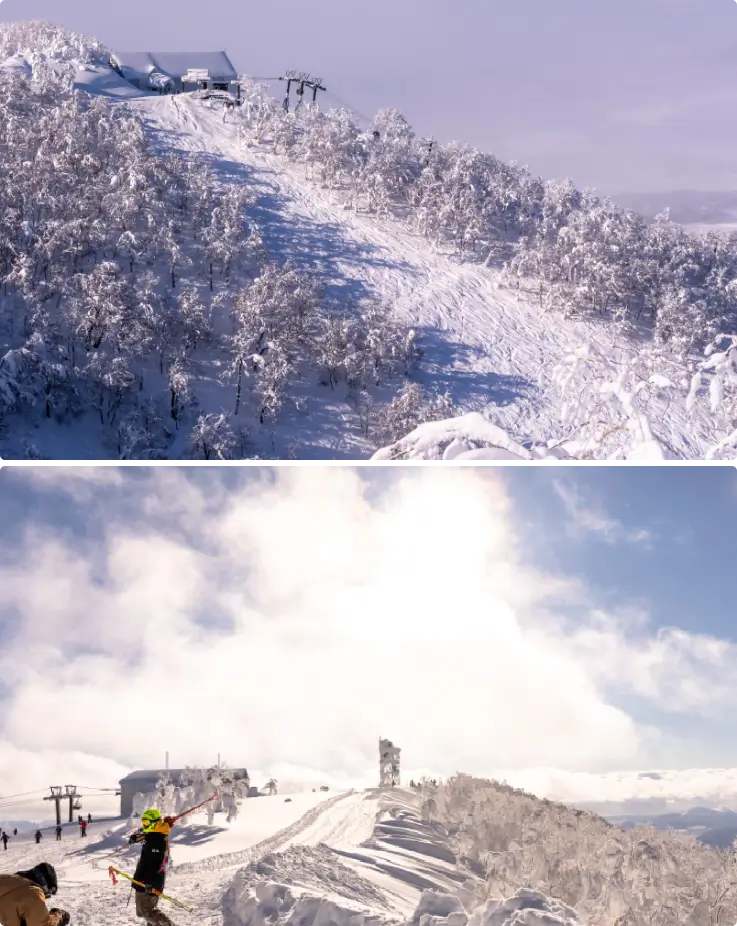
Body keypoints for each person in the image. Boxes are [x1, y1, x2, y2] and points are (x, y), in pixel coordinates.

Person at [128, 808, 176, 925]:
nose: (144, 825)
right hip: (148, 881)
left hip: (147, 882)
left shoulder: (156, 839)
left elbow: (156, 863)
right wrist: (135, 837)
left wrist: (150, 882)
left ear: (154, 823)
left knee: (146, 912)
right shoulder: (155, 834)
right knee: (149, 912)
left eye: (146, 822)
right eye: (143, 822)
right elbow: (141, 834)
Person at [0, 862, 70, 926]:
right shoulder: (34, 893)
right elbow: (41, 924)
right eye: (48, 893)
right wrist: (58, 918)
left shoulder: (6, 878)